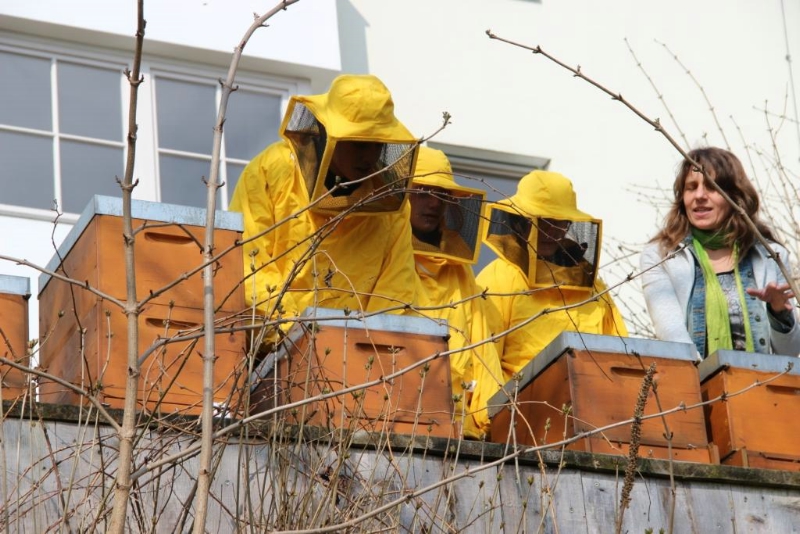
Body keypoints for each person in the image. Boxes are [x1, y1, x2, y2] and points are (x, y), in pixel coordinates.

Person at [229, 74, 420, 325]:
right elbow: (248, 264)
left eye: (377, 145)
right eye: (358, 144)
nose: (369, 156)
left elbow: (396, 293)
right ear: (326, 133)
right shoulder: (271, 171)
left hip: (353, 346)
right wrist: (297, 331)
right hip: (273, 340)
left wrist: (364, 341)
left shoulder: (390, 204)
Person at [640, 147, 800, 359]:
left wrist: (779, 312)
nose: (699, 196)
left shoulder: (770, 255)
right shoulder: (661, 256)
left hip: (761, 379)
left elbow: (790, 352)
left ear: (735, 196)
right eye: (691, 187)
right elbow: (673, 338)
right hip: (696, 379)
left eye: (711, 187)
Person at [476, 170, 628, 382]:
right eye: (542, 220)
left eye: (559, 221)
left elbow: (619, 356)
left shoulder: (591, 285)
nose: (550, 231)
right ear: (520, 221)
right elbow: (483, 363)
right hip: (518, 399)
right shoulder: (498, 278)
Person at [408, 147, 504, 438]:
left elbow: (482, 348)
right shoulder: (387, 254)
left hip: (458, 427)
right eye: (423, 192)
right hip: (398, 411)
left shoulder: (459, 270)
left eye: (441, 194)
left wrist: (489, 419)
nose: (434, 203)